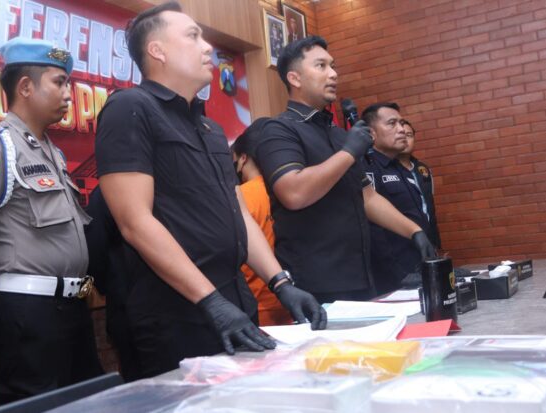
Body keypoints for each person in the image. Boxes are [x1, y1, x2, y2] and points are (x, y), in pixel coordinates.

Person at [92, 1, 325, 380]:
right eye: (193, 36)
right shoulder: (130, 108)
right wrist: (210, 301)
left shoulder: (210, 128)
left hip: (235, 303)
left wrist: (281, 283)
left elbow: (238, 213)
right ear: (157, 50)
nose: (208, 47)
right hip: (176, 313)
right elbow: (134, 222)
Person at [0, 37, 102, 404]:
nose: (69, 94)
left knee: (89, 402)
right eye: (59, 82)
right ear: (25, 87)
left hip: (71, 309)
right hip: (27, 314)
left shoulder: (52, 152)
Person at [255, 36, 436, 304]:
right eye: (321, 66)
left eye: (333, 66)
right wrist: (349, 152)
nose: (333, 74)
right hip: (315, 283)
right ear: (295, 78)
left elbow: (367, 197)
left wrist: (414, 231)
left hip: (361, 276)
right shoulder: (278, 130)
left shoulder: (339, 135)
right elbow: (293, 192)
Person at [362, 103, 432, 293]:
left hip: (417, 268)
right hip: (393, 279)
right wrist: (399, 276)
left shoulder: (402, 168)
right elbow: (373, 229)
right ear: (371, 133)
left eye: (401, 123)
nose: (401, 129)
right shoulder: (368, 167)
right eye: (392, 123)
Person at [232, 118, 293, 326]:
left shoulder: (242, 196)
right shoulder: (288, 191)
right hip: (292, 299)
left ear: (242, 159)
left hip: (257, 306)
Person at [398, 121, 442, 251]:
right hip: (401, 243)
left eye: (409, 135)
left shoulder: (423, 169)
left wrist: (435, 242)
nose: (405, 139)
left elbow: (429, 207)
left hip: (428, 240)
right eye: (401, 135)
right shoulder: (385, 170)